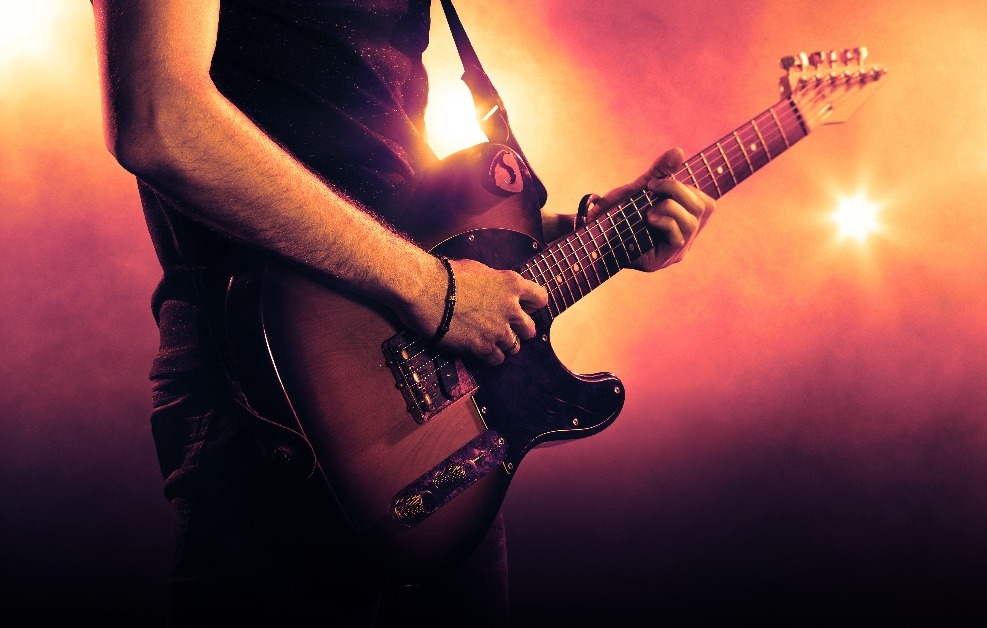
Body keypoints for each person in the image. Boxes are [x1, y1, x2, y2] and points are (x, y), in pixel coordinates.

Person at [91, 1, 715, 625]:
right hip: (267, 393)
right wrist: (434, 290)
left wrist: (593, 231)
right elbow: (159, 118)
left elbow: (386, 202)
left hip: (440, 413)